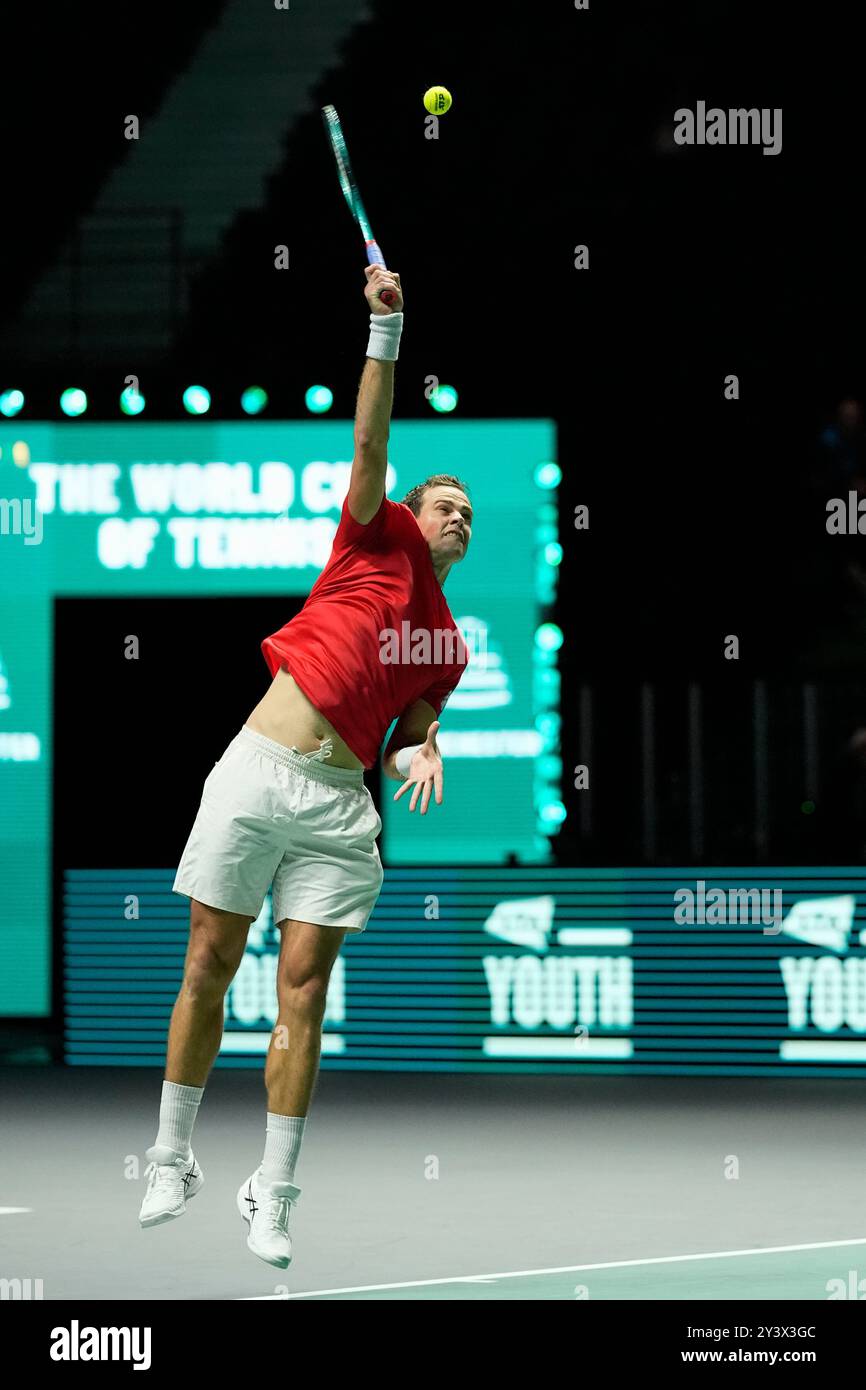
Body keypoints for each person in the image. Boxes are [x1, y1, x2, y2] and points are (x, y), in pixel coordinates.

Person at [138, 265, 473, 1270]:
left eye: (467, 514)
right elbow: (370, 437)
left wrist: (426, 743)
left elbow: (408, 723)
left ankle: (271, 1188)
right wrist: (388, 331)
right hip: (257, 770)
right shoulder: (372, 538)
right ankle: (171, 1154)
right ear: (408, 515)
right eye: (443, 504)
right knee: (209, 960)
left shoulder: (448, 642)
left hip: (338, 806)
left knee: (304, 990)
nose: (456, 517)